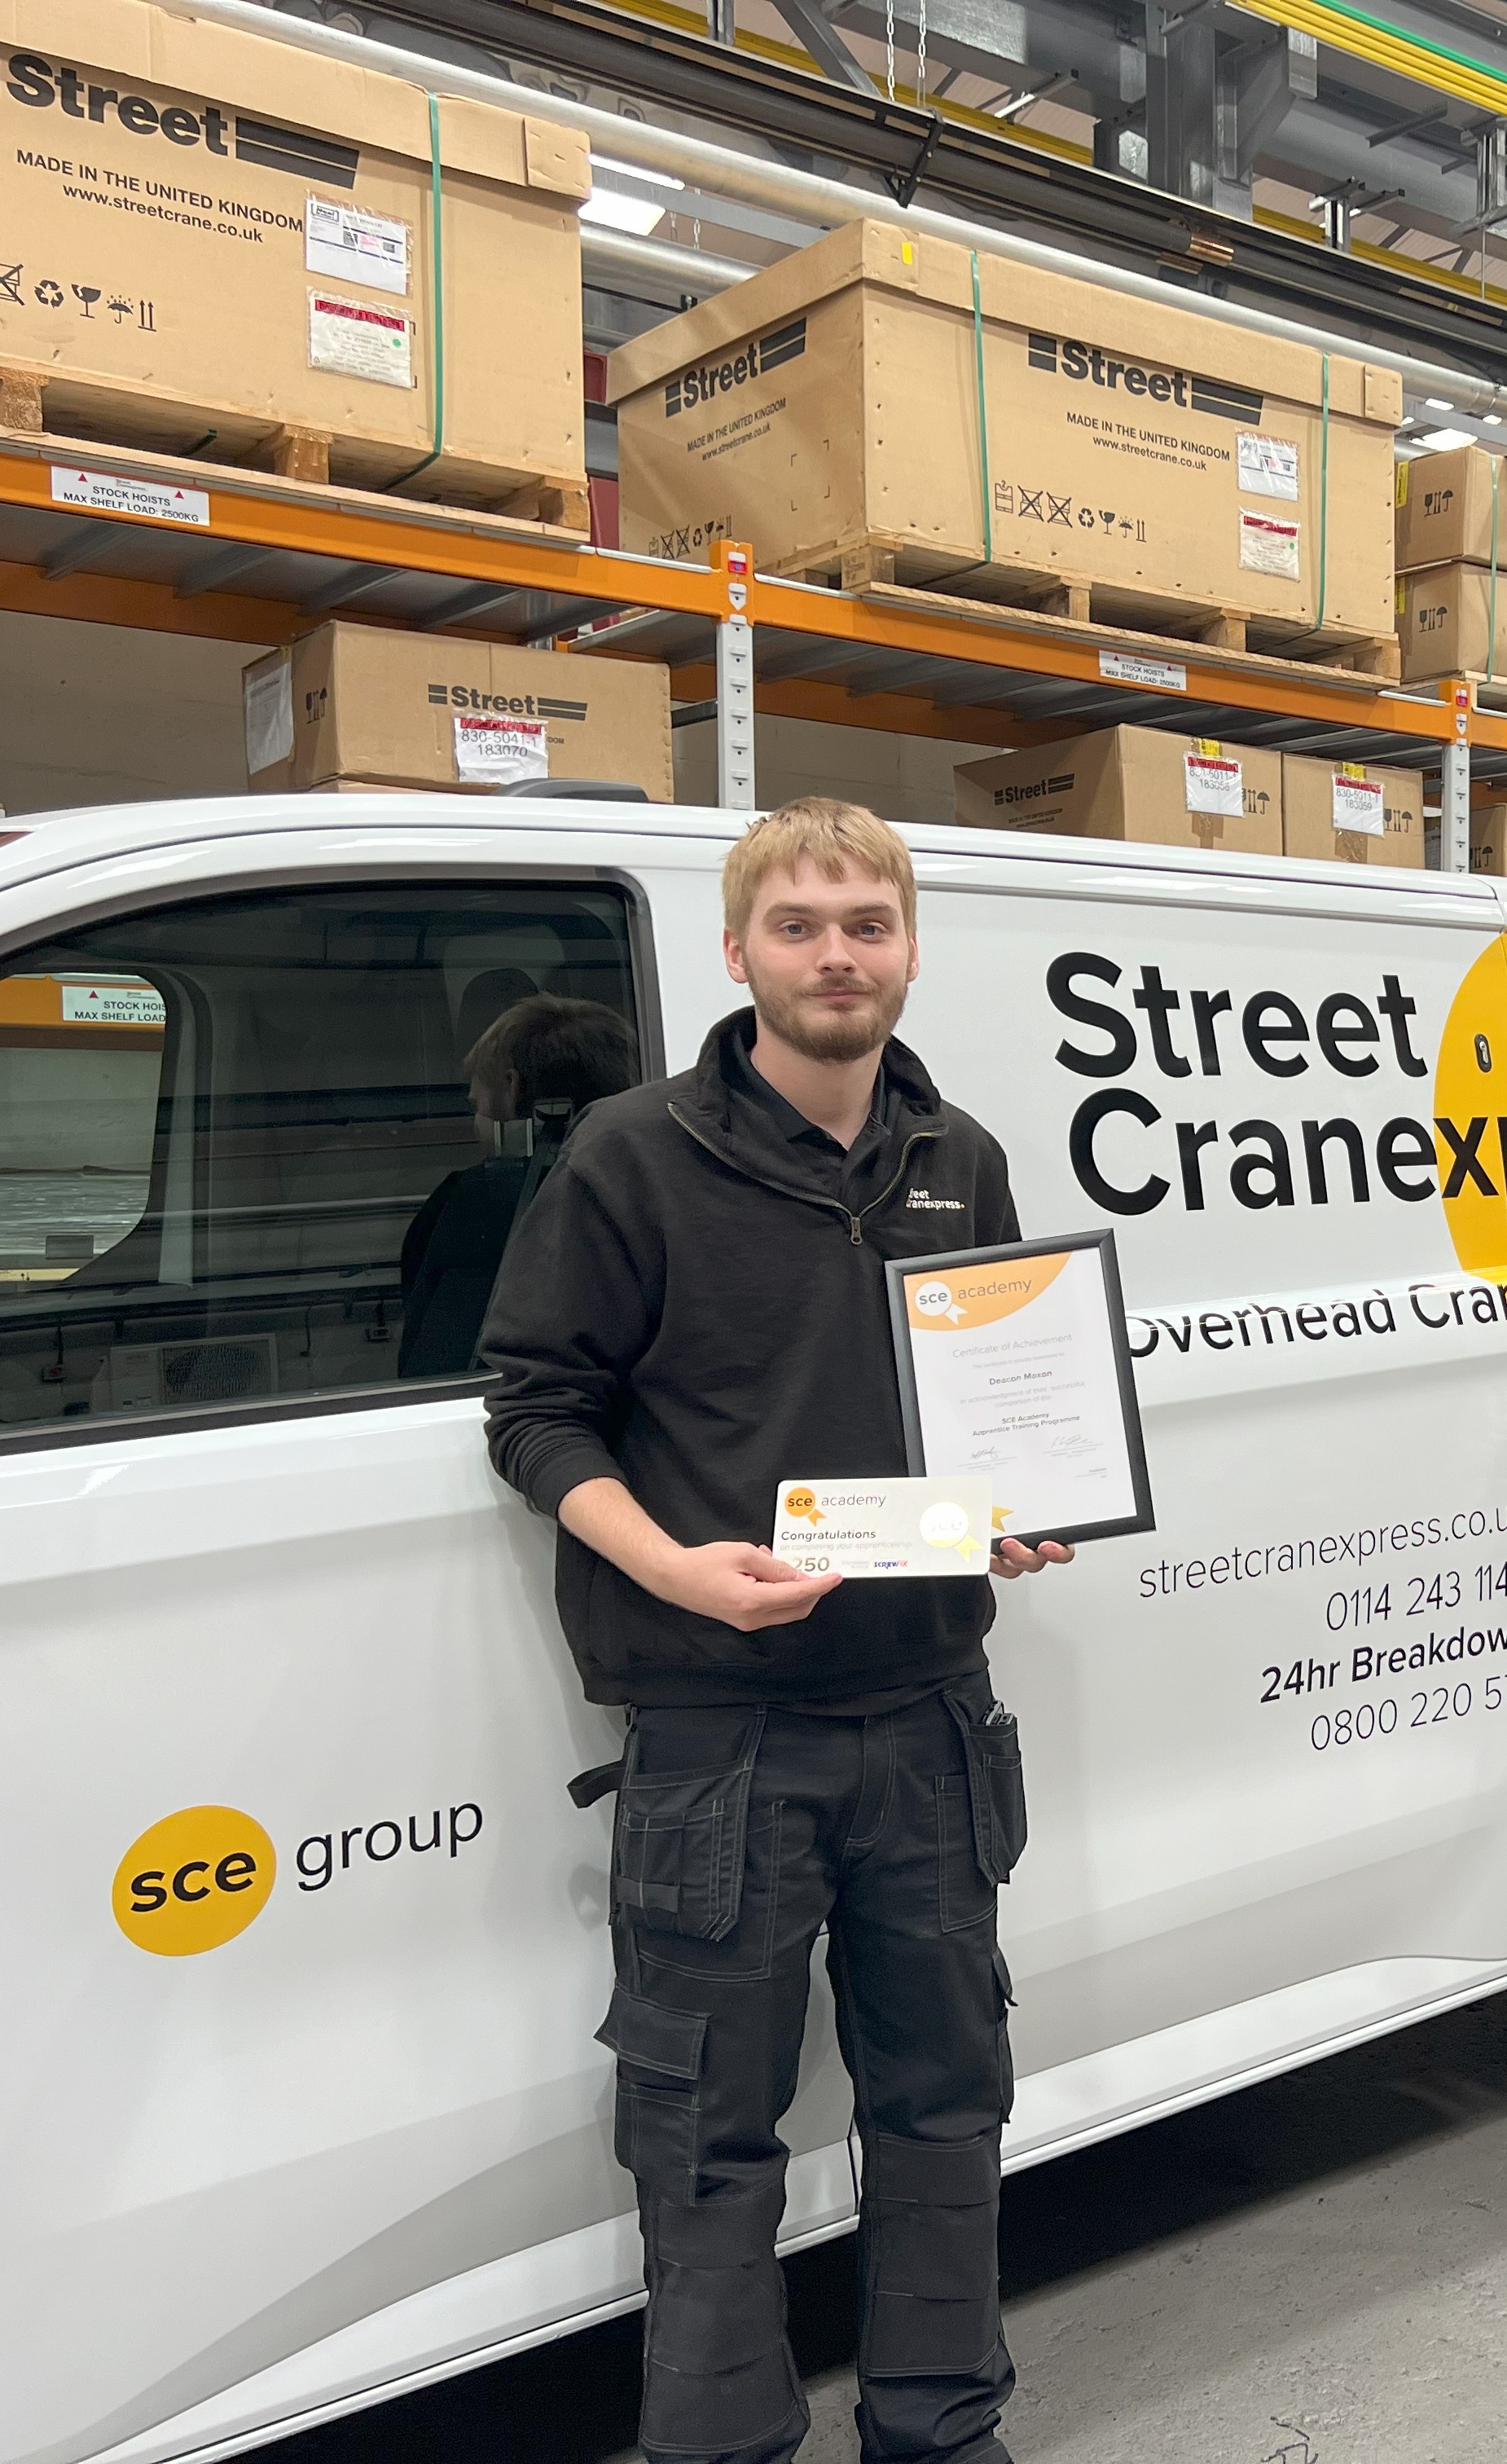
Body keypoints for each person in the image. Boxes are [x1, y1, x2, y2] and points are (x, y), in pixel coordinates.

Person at [480, 799, 1070, 2464]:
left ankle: (941, 2430)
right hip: (718, 1735)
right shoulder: (631, 1159)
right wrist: (673, 1567)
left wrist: (1013, 1504)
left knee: (947, 2104)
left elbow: (991, 1398)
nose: (836, 957)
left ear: (905, 946)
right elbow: (535, 1413)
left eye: (865, 925)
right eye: (799, 927)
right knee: (704, 2136)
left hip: (931, 1718)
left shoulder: (959, 1160)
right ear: (735, 953)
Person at [399, 992, 639, 1377]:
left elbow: (432, 1357)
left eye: (477, 1105)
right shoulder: (649, 1185)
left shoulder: (478, 1201)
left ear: (513, 1089)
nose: (473, 1110)